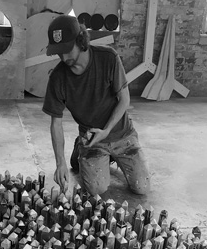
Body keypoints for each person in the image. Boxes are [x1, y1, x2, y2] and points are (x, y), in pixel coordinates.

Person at [43, 14, 150, 197]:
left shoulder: (108, 58)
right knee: (96, 190)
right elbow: (56, 123)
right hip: (92, 138)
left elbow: (125, 99)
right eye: (58, 51)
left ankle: (113, 156)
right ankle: (81, 148)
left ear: (81, 40)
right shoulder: (58, 77)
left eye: (67, 49)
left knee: (142, 188)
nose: (63, 56)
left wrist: (107, 130)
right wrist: (60, 162)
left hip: (122, 134)